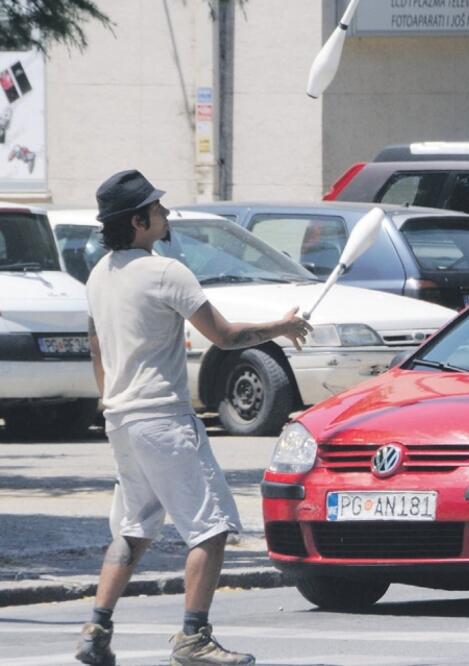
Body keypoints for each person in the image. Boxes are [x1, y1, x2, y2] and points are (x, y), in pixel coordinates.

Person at [75, 170, 312, 666]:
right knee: (211, 528)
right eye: (158, 209)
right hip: (163, 418)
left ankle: (96, 629)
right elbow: (224, 336)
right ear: (139, 221)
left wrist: (109, 397)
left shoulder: (99, 275)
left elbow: (96, 347)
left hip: (121, 419)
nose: (165, 214)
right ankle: (193, 637)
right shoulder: (166, 272)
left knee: (134, 528)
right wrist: (284, 326)